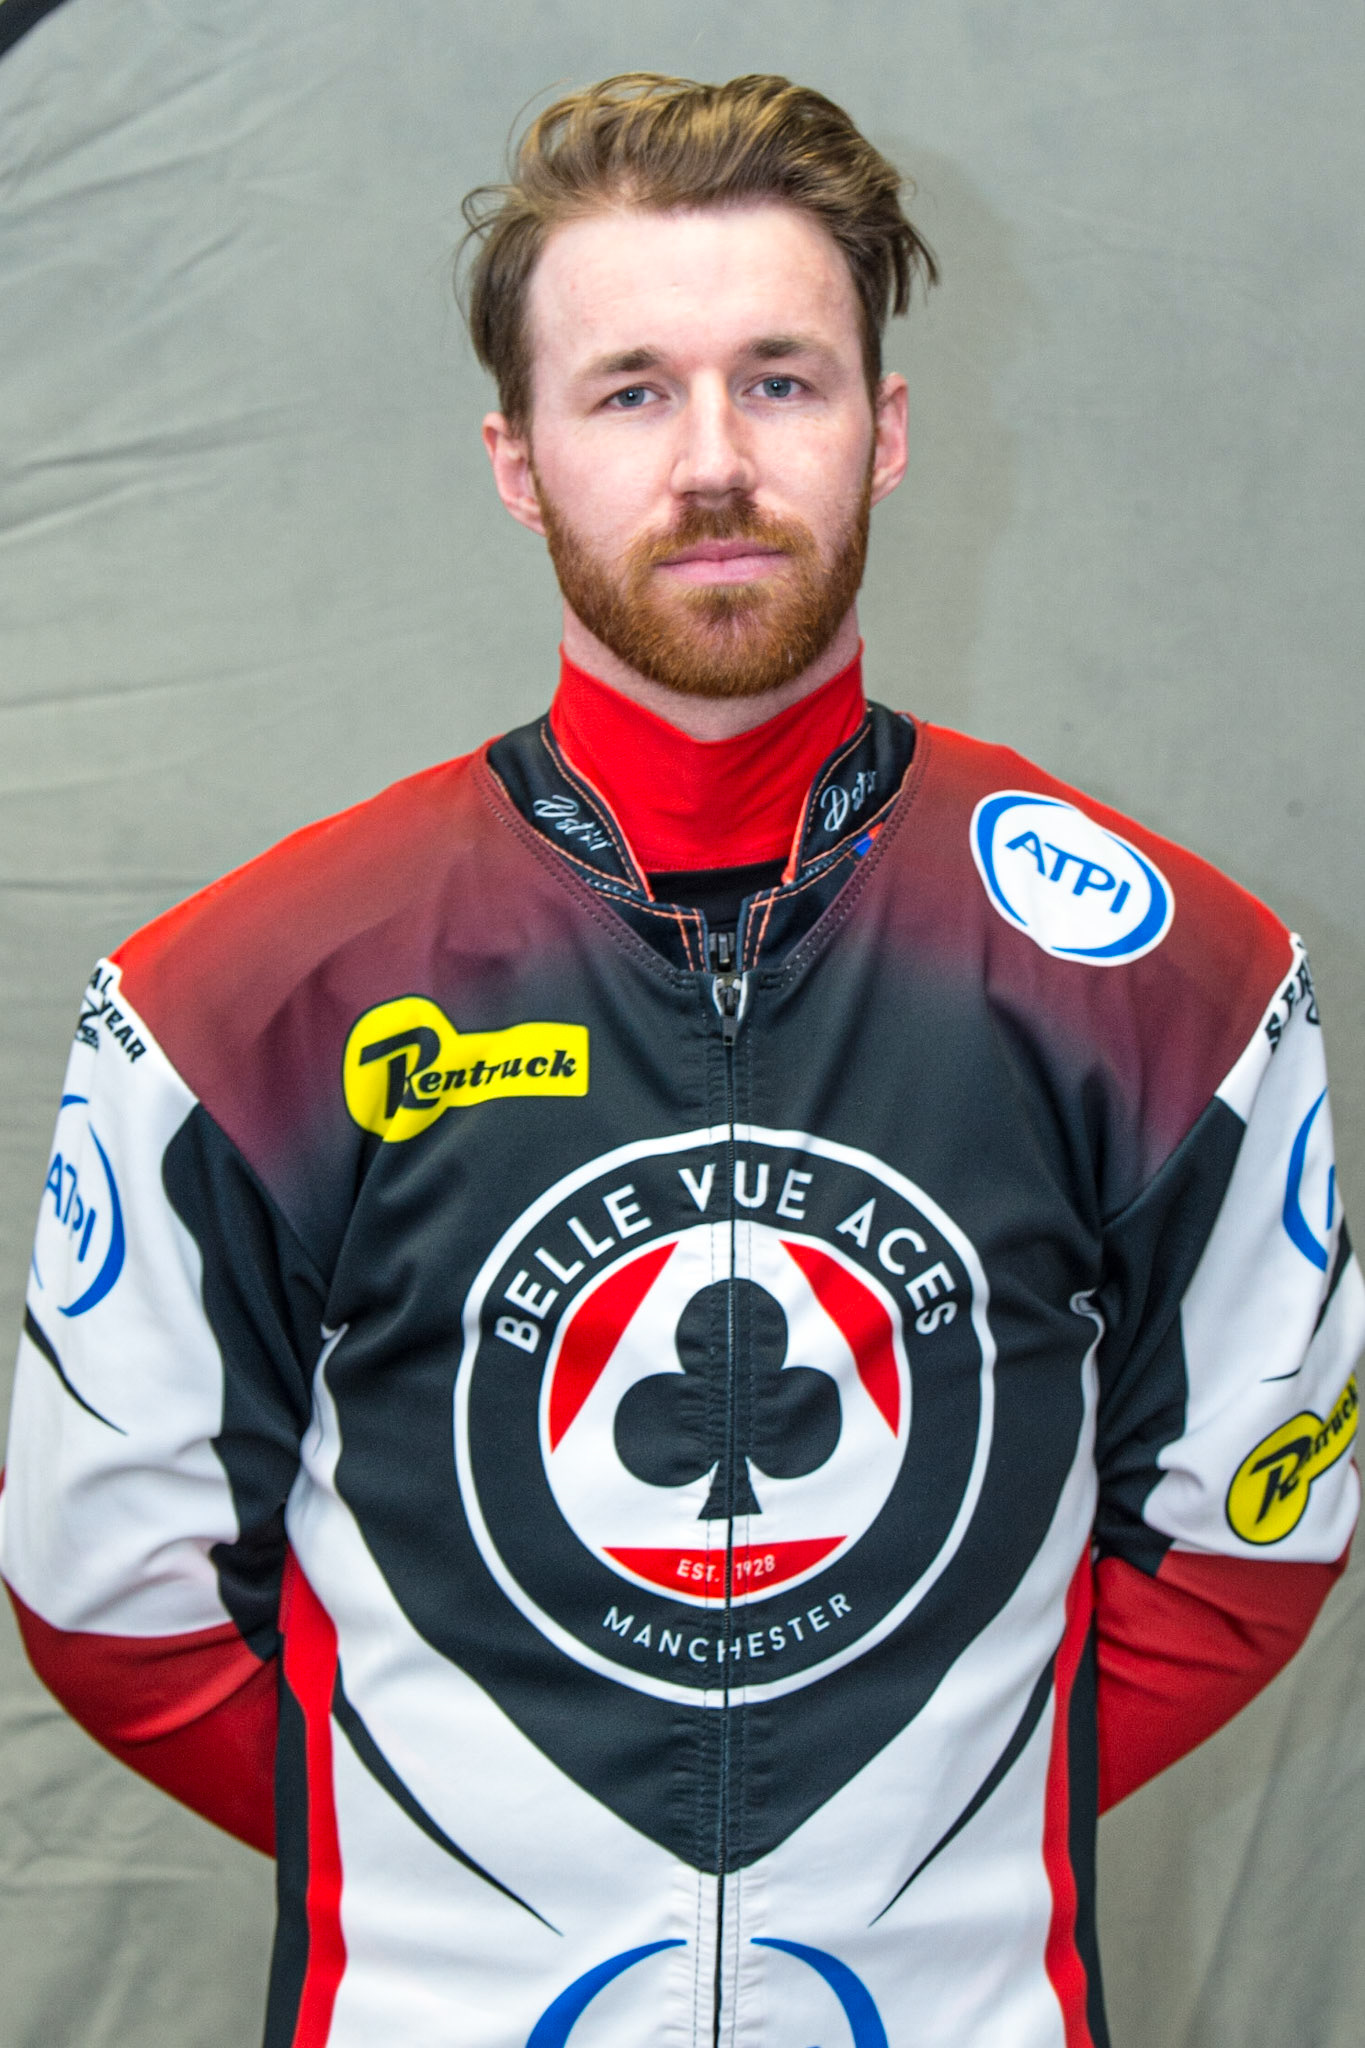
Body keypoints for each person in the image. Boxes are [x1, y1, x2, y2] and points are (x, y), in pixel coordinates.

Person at [1, 71, 1359, 2048]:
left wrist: (917, 1838)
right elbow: (112, 1600)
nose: (711, 462)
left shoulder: (1171, 975)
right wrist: (493, 1861)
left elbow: (1249, 1536)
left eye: (781, 381)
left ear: (885, 432)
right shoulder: (241, 995)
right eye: (629, 390)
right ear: (514, 460)